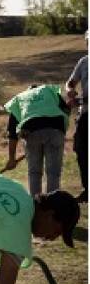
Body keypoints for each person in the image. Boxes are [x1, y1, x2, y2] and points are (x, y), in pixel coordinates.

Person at [2, 84, 70, 195]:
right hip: (55, 131)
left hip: (32, 134)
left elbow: (13, 135)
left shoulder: (20, 99)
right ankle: (52, 205)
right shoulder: (49, 92)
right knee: (53, 172)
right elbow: (66, 110)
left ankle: (36, 204)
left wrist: (11, 158)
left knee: (34, 172)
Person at [66, 53, 87, 203]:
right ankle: (88, 190)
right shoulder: (84, 61)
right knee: (81, 150)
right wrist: (70, 91)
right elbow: (70, 83)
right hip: (85, 113)